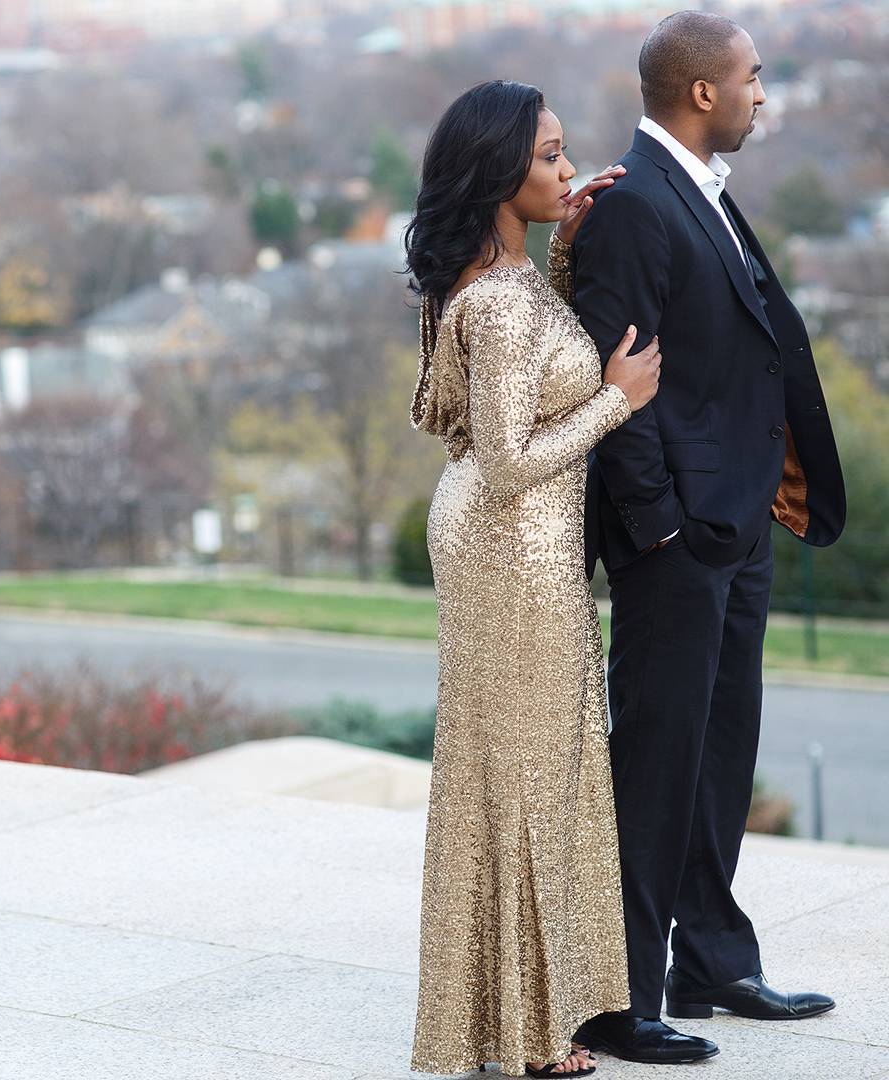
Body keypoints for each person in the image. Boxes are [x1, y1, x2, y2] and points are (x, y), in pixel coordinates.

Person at [571, 11, 846, 1066]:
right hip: (680, 544)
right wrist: (660, 532)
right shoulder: (637, 207)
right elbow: (620, 385)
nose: (762, 95)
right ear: (700, 93)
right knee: (654, 764)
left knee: (721, 755)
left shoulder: (701, 196)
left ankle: (713, 961)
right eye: (753, 79)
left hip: (741, 527)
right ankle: (620, 998)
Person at [405, 79, 661, 1078]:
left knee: (530, 769)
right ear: (500, 170)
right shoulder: (497, 304)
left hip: (514, 537)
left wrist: (560, 248)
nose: (567, 167)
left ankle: (513, 1020)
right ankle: (525, 1034)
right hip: (510, 540)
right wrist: (615, 400)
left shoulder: (497, 278)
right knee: (521, 777)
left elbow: (472, 404)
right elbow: (509, 458)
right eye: (550, 155)